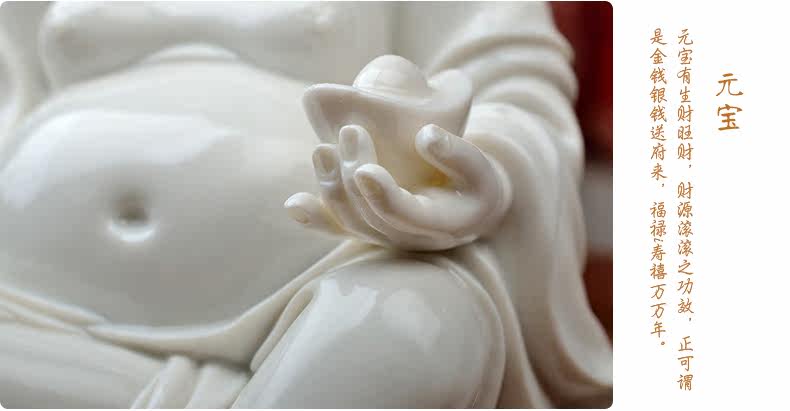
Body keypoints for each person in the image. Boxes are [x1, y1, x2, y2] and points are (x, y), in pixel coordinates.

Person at [0, 2, 612, 408]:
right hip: (29, 294)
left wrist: (478, 172)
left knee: (414, 324)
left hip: (331, 281)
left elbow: (512, 89)